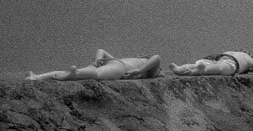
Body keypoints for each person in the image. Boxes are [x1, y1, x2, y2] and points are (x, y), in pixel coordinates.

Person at [27, 49, 162, 81]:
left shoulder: (140, 63)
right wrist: (140, 70)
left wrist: (97, 61)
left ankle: (37, 77)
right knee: (96, 74)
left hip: (114, 62)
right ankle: (75, 74)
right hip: (120, 67)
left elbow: (101, 50)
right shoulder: (150, 68)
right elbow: (157, 57)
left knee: (92, 70)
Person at [171, 51, 253, 76]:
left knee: (197, 63)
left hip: (218, 58)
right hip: (231, 63)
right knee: (218, 68)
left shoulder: (230, 51)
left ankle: (179, 68)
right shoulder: (249, 59)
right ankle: (203, 70)